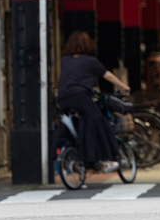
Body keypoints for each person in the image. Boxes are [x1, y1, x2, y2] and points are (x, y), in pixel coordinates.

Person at [56, 31, 131, 173]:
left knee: (80, 122)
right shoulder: (89, 60)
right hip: (79, 96)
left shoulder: (65, 60)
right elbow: (107, 75)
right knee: (97, 120)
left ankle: (75, 155)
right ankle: (104, 160)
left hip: (63, 98)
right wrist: (123, 86)